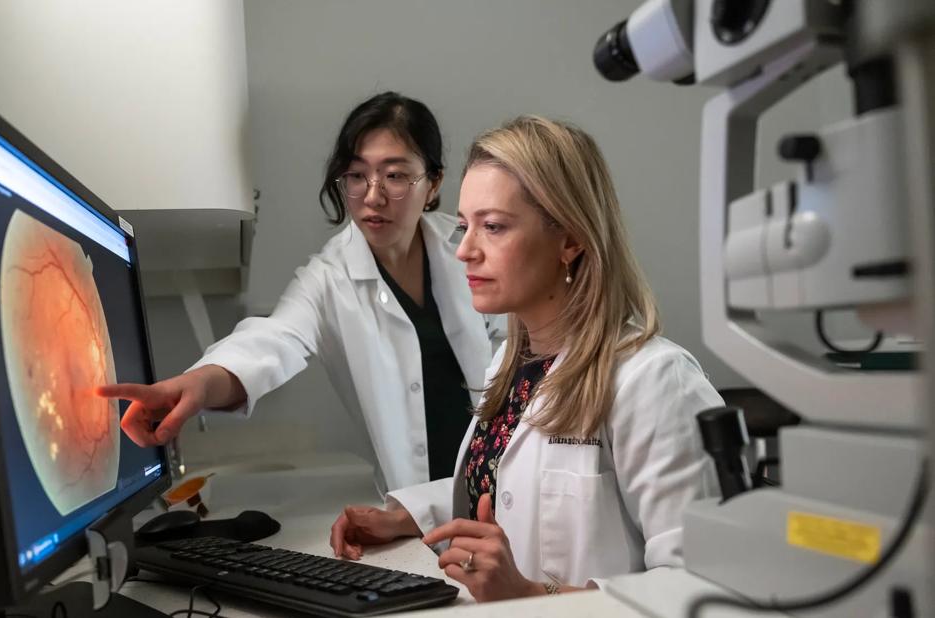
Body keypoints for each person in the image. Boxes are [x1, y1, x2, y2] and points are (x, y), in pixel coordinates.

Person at [327, 116, 722, 601]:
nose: (465, 251)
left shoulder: (655, 381)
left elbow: (701, 589)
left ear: (571, 239)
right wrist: (403, 517)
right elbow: (512, 484)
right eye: (465, 226)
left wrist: (534, 595)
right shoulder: (513, 368)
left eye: (493, 227)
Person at [98, 92, 501, 491]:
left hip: (504, 484)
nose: (372, 196)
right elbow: (273, 340)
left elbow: (521, 358)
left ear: (433, 183)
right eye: (357, 175)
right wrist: (200, 385)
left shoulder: (469, 247)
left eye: (395, 175)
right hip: (417, 505)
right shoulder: (329, 276)